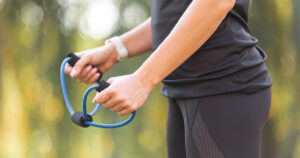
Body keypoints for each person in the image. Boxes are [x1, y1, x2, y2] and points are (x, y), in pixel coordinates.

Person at [64, 0, 273, 157]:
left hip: (223, 87)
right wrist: (114, 51)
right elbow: (178, 10)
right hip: (182, 92)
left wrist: (142, 81)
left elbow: (216, 2)